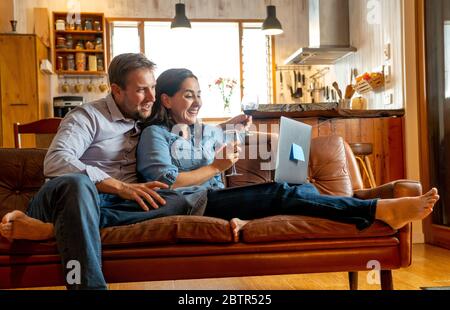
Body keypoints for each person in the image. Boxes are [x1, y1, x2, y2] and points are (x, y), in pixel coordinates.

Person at [0, 54, 248, 290]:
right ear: (117, 90)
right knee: (78, 184)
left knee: (177, 198)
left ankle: (56, 229)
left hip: (115, 205)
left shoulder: (144, 117)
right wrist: (119, 186)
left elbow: (184, 124)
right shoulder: (86, 117)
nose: (151, 96)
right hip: (67, 199)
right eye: (142, 90)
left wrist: (226, 127)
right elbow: (55, 161)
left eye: (153, 87)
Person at [137, 68, 439, 241]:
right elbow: (166, 185)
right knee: (283, 190)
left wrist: (234, 124)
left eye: (199, 94)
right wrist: (217, 167)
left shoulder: (200, 130)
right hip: (194, 204)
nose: (197, 101)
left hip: (217, 202)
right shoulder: (156, 135)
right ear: (166, 99)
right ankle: (377, 210)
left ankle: (247, 217)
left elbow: (218, 130)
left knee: (299, 187)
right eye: (188, 95)